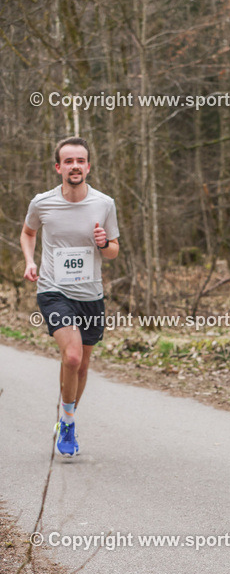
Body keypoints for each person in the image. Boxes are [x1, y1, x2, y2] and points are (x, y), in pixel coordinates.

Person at [21, 137, 120, 457]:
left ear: (88, 166)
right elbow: (28, 232)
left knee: (83, 363)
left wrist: (104, 243)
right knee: (73, 356)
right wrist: (30, 261)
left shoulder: (104, 203)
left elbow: (114, 253)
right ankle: (68, 423)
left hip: (91, 294)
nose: (74, 166)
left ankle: (67, 416)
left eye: (80, 160)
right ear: (58, 167)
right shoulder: (42, 202)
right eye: (68, 161)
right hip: (53, 290)